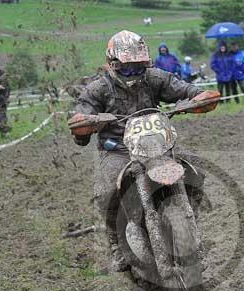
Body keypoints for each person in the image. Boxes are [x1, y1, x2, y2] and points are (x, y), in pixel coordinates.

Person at [67, 31, 220, 272]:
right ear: (113, 65)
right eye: (127, 69)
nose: (134, 74)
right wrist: (86, 122)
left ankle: (189, 220)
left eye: (139, 68)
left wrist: (197, 99)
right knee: (106, 192)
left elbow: (185, 89)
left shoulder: (155, 78)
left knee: (194, 170)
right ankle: (116, 245)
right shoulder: (99, 88)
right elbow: (78, 115)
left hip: (157, 146)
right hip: (118, 149)